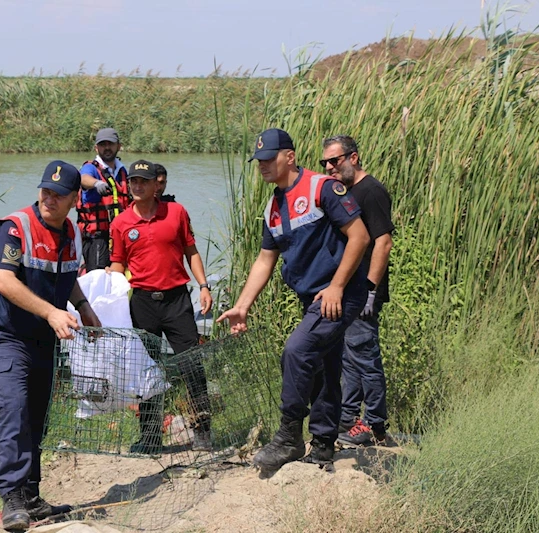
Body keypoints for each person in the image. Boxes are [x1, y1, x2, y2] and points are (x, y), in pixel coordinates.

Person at [216, 128, 370, 473]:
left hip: (339, 293)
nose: (263, 165)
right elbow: (264, 259)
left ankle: (288, 437)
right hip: (312, 297)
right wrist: (243, 305)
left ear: (290, 156)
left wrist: (337, 287)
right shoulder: (274, 205)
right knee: (325, 364)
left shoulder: (324, 188)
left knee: (297, 351)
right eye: (259, 161)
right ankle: (324, 443)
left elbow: (360, 237)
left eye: (269, 158)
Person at [0, 160, 102, 531]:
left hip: (44, 342)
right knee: (14, 411)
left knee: (37, 417)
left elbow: (68, 275)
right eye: (44, 191)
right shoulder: (15, 228)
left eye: (59, 194)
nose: (49, 199)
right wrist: (53, 312)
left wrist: (82, 307)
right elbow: (4, 281)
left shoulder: (72, 233)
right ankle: (12, 498)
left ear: (73, 200)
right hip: (7, 338)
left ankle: (32, 497)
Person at [109, 159, 214, 454]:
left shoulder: (176, 212)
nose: (137, 186)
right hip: (142, 303)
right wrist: (106, 295)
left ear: (157, 184)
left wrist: (204, 286)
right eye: (133, 181)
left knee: (192, 364)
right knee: (147, 372)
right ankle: (152, 437)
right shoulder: (120, 223)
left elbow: (190, 250)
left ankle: (203, 432)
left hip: (177, 300)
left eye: (143, 181)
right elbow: (117, 264)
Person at [320, 135, 394, 446]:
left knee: (365, 356)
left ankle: (374, 423)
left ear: (353, 158)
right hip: (348, 291)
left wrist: (371, 289)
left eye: (334, 161)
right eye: (324, 162)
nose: (329, 167)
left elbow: (383, 242)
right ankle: (348, 417)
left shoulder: (371, 191)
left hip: (364, 290)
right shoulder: (346, 192)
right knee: (348, 357)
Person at [77, 128, 130, 271]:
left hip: (119, 236)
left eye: (110, 144)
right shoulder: (91, 168)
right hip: (97, 238)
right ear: (96, 147)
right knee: (98, 277)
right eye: (102, 144)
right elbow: (83, 178)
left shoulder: (122, 171)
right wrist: (96, 183)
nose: (107, 148)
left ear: (118, 146)